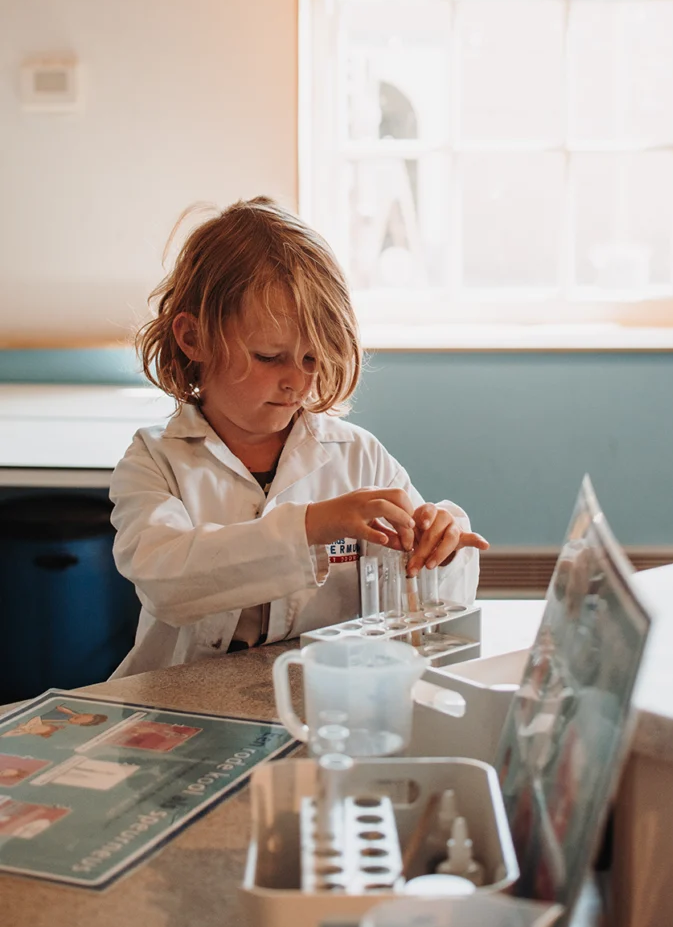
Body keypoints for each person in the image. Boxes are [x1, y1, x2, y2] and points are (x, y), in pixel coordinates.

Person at [110, 196, 488, 676]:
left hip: (322, 698)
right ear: (194, 338)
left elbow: (418, 603)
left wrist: (440, 547)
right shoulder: (154, 460)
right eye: (270, 357)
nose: (297, 381)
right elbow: (167, 582)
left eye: (313, 358)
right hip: (176, 696)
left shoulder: (359, 458)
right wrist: (311, 526)